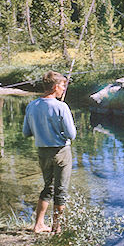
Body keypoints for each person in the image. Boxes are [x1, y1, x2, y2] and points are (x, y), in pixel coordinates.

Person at [22, 71, 77, 234]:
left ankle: (38, 224)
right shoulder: (62, 106)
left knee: (48, 187)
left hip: (42, 153)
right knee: (60, 191)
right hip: (61, 153)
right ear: (54, 87)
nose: (63, 89)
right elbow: (71, 134)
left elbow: (26, 133)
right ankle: (57, 228)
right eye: (62, 86)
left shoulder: (32, 105)